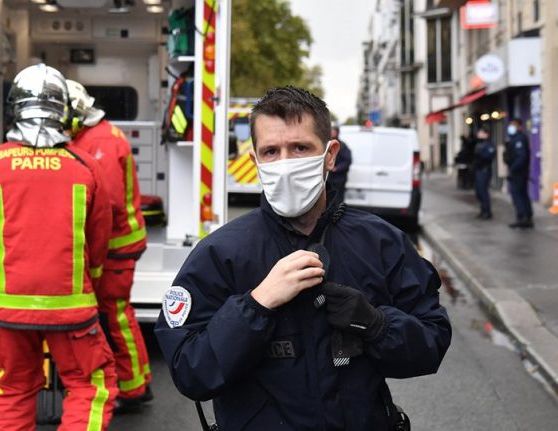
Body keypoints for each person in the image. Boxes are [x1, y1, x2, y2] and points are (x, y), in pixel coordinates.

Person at [155, 86, 452, 430]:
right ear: (255, 162)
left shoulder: (381, 243)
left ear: (330, 155)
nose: (285, 164)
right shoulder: (221, 254)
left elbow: (431, 343)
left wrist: (375, 324)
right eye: (270, 151)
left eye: (300, 148)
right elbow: (190, 371)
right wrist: (255, 305)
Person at [0, 64, 118, 430]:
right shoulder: (85, 166)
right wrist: (93, 285)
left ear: (15, 108)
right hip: (72, 310)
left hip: (8, 310)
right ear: (64, 111)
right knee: (91, 388)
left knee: (12, 390)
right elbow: (99, 241)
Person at [66, 79, 152, 413]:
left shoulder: (98, 141)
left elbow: (107, 202)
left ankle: (132, 389)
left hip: (116, 242)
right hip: (119, 240)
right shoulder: (96, 135)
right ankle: (138, 380)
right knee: (118, 313)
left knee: (115, 314)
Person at [504, 118, 534, 228]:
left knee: (517, 194)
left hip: (518, 172)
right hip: (519, 171)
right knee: (522, 193)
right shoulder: (514, 138)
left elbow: (521, 157)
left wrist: (512, 169)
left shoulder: (519, 139)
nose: (511, 127)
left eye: (514, 125)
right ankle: (527, 216)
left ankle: (523, 217)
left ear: (519, 126)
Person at [473, 127, 495, 220]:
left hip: (484, 170)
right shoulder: (479, 144)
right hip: (478, 170)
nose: (479, 134)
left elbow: (489, 156)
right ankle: (483, 210)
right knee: (478, 191)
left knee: (483, 191)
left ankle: (487, 211)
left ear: (486, 134)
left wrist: (480, 156)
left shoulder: (489, 145)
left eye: (481, 133)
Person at [328, 124, 352, 202]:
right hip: (329, 178)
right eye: (331, 131)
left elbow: (347, 161)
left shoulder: (342, 146)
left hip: (338, 179)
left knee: (338, 200)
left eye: (333, 131)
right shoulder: (327, 143)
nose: (332, 133)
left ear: (337, 133)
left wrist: (336, 168)